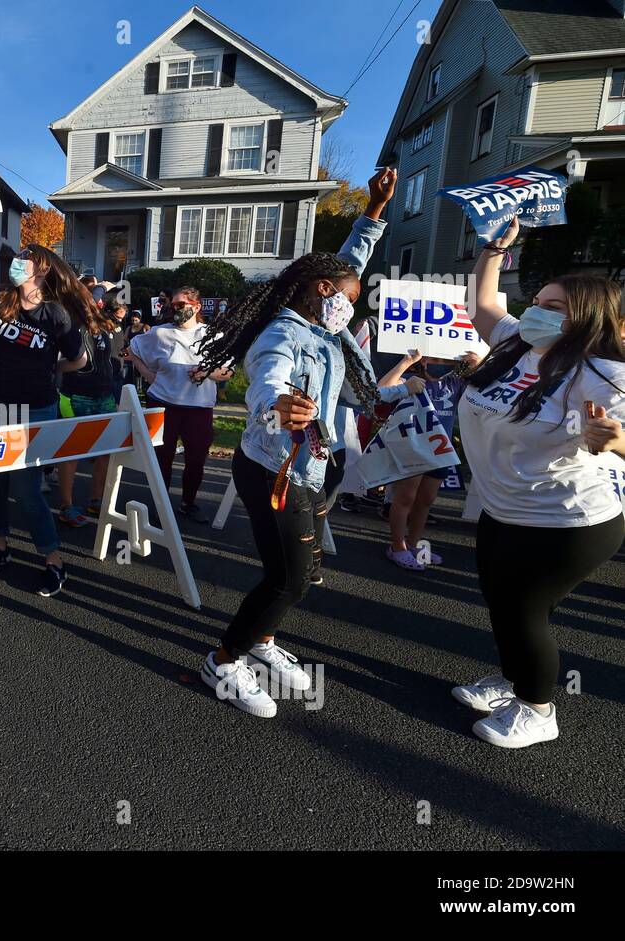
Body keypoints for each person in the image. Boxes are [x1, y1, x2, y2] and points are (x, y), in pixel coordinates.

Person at [192, 167, 407, 718]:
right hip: (275, 470)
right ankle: (223, 660)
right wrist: (273, 405)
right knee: (288, 579)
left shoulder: (326, 325)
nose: (354, 306)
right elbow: (267, 379)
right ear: (323, 291)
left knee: (298, 574)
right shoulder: (285, 334)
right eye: (350, 297)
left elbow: (352, 260)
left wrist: (375, 209)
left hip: (310, 469)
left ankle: (260, 642)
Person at [451, 218, 625, 749]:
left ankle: (537, 709)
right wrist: (493, 252)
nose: (536, 313)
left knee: (522, 612)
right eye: (538, 301)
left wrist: (614, 439)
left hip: (566, 520)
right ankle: (511, 680)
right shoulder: (514, 346)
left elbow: (616, 436)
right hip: (504, 508)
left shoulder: (603, 374)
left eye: (555, 309)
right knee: (500, 602)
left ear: (587, 322)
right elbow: (483, 304)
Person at [0, 245, 87, 596]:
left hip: (37, 409)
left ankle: (53, 560)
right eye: (18, 258)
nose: (17, 264)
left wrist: (53, 369)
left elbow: (78, 359)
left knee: (25, 489)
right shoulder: (0, 303)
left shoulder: (56, 314)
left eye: (26, 259)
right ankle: (0, 547)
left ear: (42, 269)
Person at [123, 286, 234, 524]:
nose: (175, 310)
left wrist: (207, 372)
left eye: (180, 305)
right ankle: (161, 506)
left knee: (196, 459)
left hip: (199, 407)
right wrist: (149, 375)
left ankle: (188, 503)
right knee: (162, 458)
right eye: (172, 306)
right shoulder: (159, 333)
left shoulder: (213, 335)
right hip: (163, 404)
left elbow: (228, 372)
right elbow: (132, 351)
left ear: (196, 306)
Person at [377, 348, 477, 571]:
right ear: (423, 361)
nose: (440, 363)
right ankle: (397, 547)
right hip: (412, 449)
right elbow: (380, 391)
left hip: (440, 451)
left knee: (426, 500)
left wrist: (477, 366)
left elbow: (484, 393)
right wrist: (405, 362)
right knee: (405, 498)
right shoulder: (410, 380)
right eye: (434, 358)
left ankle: (413, 545)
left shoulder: (455, 383)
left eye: (446, 359)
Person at [56, 298, 119, 523]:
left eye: (94, 302)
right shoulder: (67, 326)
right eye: (86, 302)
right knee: (72, 452)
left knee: (105, 452)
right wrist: (56, 371)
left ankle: (96, 500)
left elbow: (113, 362)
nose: (91, 306)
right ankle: (66, 505)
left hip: (105, 397)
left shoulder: (105, 327)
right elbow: (55, 360)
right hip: (75, 396)